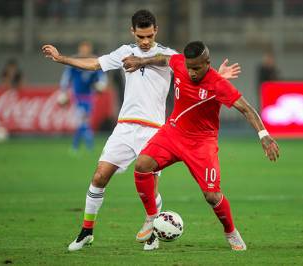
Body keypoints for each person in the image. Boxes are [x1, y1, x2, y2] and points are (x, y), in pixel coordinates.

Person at [42, 10, 240, 251]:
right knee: (99, 176)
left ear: (155, 30)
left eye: (149, 35)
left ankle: (153, 234)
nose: (145, 41)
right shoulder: (125, 52)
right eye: (140, 36)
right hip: (125, 126)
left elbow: (196, 76)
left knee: (148, 184)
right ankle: (86, 232)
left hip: (155, 130)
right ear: (132, 32)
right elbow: (95, 64)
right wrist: (61, 58)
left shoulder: (169, 56)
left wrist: (219, 76)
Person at [122, 41, 280, 251]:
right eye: (189, 67)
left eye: (196, 68)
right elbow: (165, 58)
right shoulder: (181, 63)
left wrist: (264, 135)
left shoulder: (218, 84)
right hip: (173, 133)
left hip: (201, 143)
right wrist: (141, 61)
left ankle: (231, 231)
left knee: (212, 196)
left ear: (207, 63)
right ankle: (152, 216)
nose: (191, 72)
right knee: (142, 165)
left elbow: (247, 109)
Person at [58, 41, 107, 152]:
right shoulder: (74, 61)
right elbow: (66, 78)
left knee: (83, 121)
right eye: (83, 49)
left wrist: (101, 85)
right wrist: (63, 92)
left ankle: (76, 146)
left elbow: (102, 76)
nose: (84, 51)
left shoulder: (94, 61)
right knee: (83, 120)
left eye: (87, 49)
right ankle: (87, 146)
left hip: (90, 96)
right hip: (78, 96)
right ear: (80, 49)